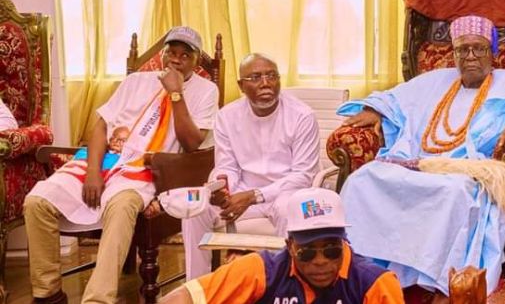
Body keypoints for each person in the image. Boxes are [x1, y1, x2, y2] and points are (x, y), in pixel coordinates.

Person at [338, 14, 505, 295]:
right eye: (462, 49)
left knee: (454, 192)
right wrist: (374, 111)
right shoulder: (435, 81)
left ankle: (433, 275)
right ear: (454, 53)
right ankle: (362, 267)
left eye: (479, 48)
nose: (470, 56)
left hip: (467, 170)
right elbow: (393, 98)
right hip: (416, 162)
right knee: (362, 180)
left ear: (492, 52)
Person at [24, 26, 219, 304]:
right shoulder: (136, 81)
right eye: (171, 52)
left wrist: (176, 94)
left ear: (196, 61)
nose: (176, 60)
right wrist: (92, 172)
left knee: (122, 206)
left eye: (184, 55)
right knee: (37, 202)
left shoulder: (205, 90)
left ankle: (97, 299)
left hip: (145, 170)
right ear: (163, 55)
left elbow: (191, 144)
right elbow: (101, 126)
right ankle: (49, 294)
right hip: (105, 161)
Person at [182, 53, 321, 279]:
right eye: (256, 77)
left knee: (289, 208)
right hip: (241, 195)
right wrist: (223, 187)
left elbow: (303, 175)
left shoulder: (302, 115)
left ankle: (286, 286)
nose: (265, 83)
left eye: (271, 76)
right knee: (194, 209)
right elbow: (227, 165)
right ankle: (197, 287)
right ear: (241, 85)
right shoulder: (227, 116)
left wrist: (253, 196)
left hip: (285, 193)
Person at [160, 187, 404, 304]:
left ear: (344, 244)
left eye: (331, 250)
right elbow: (184, 297)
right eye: (307, 251)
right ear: (289, 246)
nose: (321, 261)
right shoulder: (261, 269)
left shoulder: (375, 284)